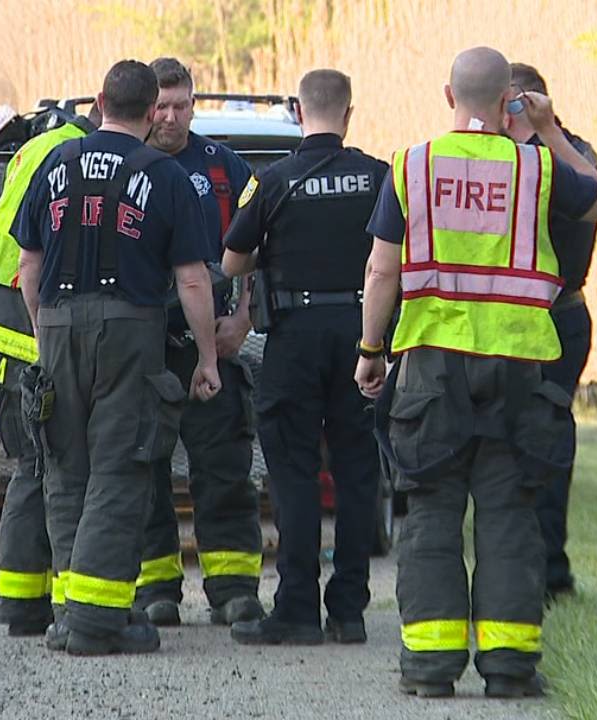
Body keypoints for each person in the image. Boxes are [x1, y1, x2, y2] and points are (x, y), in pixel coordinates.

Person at [357, 47, 597, 698]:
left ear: (449, 96)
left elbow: (382, 270)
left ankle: (430, 667)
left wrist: (370, 349)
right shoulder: (538, 170)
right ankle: (508, 668)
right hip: (519, 365)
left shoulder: (411, 166)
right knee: (507, 512)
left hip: (433, 365)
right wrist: (549, 130)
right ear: (509, 101)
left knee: (431, 511)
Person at [14, 59, 222, 656]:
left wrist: (44, 333)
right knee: (121, 468)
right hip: (130, 329)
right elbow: (191, 280)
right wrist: (206, 357)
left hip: (54, 324)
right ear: (154, 107)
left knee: (64, 468)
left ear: (100, 100)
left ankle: (66, 613)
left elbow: (29, 266)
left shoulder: (54, 162)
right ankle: (98, 620)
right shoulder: (164, 175)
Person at [220, 69, 386, 646]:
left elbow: (232, 263)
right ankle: (349, 609)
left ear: (298, 110)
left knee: (292, 471)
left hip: (294, 334)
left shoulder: (275, 181)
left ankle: (295, 609)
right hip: (360, 331)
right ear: (349, 112)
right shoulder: (379, 177)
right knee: (357, 470)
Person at [0, 107, 96, 638]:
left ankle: (23, 600)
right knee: (39, 465)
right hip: (17, 329)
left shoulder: (42, 148)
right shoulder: (71, 155)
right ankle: (28, 604)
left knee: (32, 467)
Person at [133, 57, 265, 628]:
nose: (170, 117)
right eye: (160, 106)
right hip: (140, 346)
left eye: (181, 105)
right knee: (142, 467)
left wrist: (242, 316)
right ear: (145, 107)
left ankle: (233, 588)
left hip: (211, 341)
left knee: (223, 466)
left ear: (194, 104)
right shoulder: (122, 166)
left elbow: (261, 247)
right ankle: (155, 587)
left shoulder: (224, 167)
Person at [503, 63, 597, 602]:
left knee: (547, 435)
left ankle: (551, 570)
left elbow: (594, 198)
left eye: (517, 104)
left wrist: (546, 135)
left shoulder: (573, 151)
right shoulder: (500, 154)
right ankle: (519, 563)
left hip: (560, 312)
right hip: (512, 315)